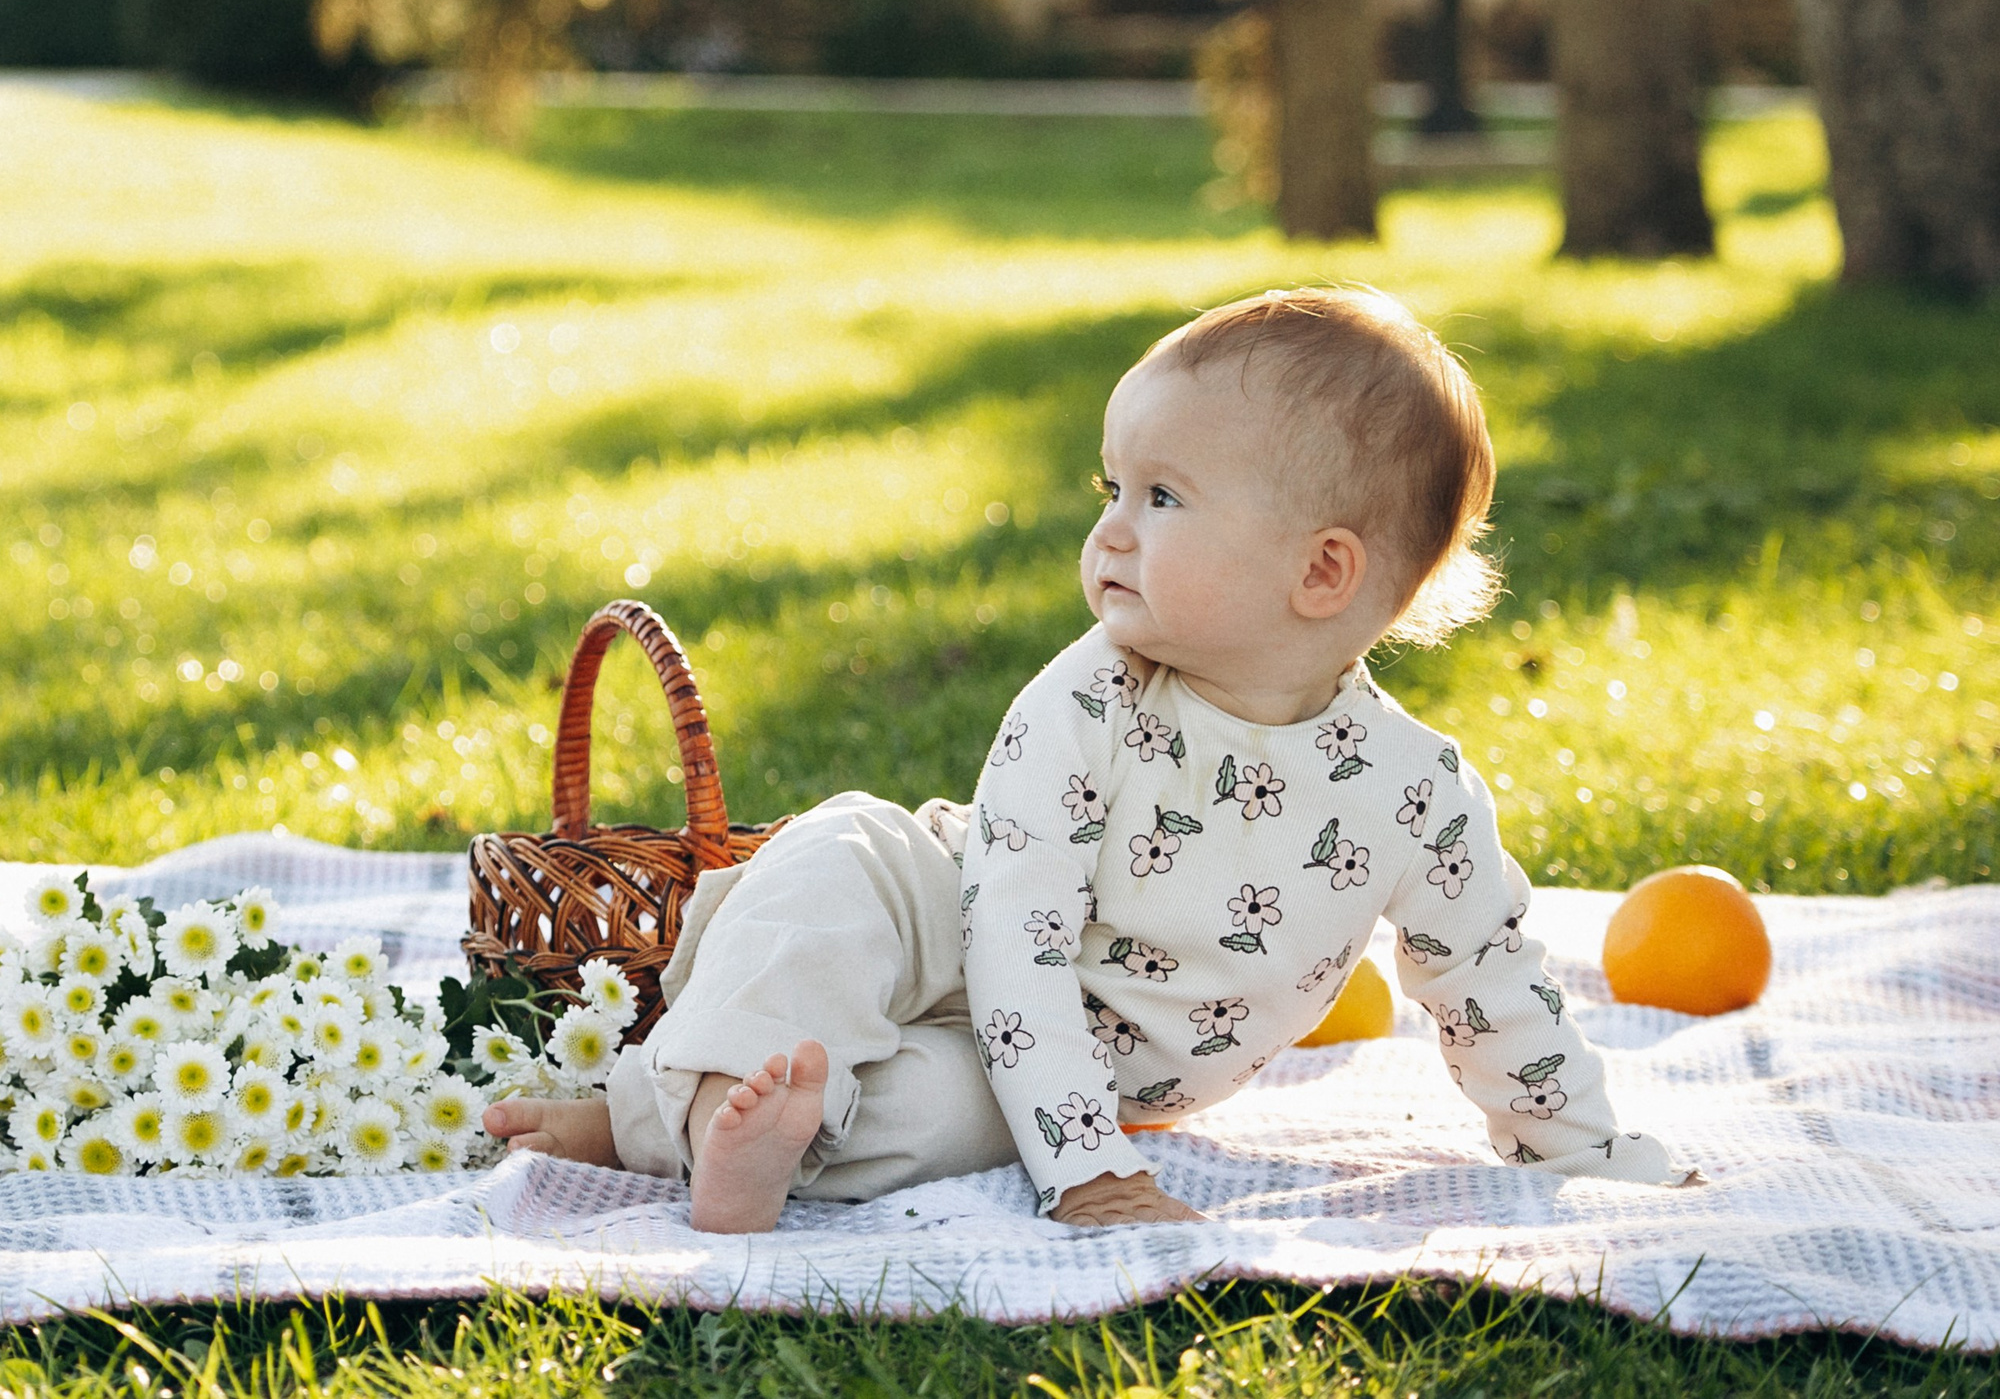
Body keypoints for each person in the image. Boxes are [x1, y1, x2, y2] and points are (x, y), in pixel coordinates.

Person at [486, 288, 1685, 1232]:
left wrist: (1583, 1155)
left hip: (1104, 1059)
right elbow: (1015, 933)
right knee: (830, 870)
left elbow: (1489, 983)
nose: (1110, 528)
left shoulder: (1414, 795)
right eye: (1112, 486)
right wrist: (1083, 1170)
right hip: (951, 907)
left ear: (1320, 573)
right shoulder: (1092, 695)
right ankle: (663, 1112)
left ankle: (734, 1138)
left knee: (927, 1114)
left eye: (1163, 497)